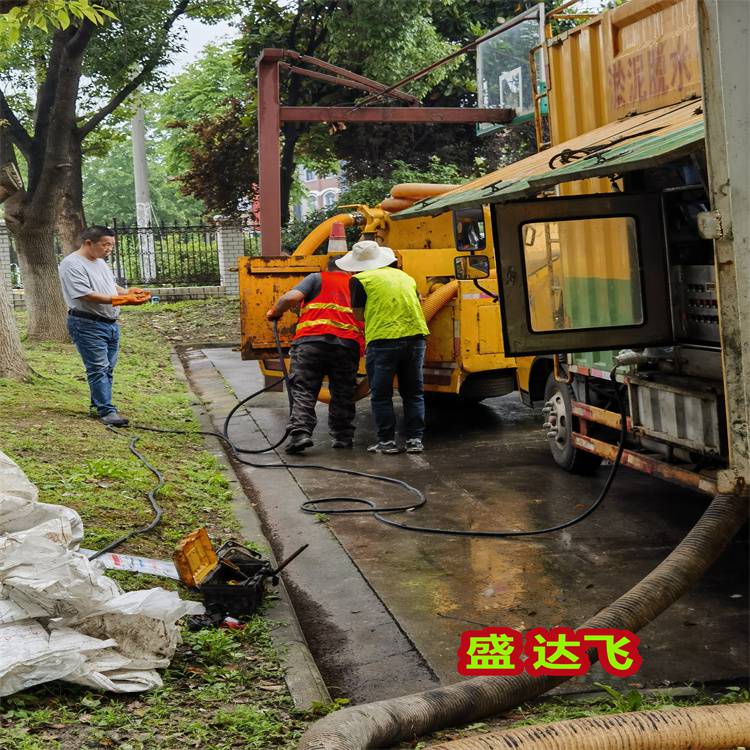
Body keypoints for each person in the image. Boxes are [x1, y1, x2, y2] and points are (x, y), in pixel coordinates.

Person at [336, 240, 429, 454]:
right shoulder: (405, 276)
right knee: (413, 392)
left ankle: (387, 442)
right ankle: (415, 440)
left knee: (381, 394)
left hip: (383, 341)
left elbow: (359, 314)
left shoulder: (360, 279)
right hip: (416, 339)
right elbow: (418, 302)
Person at [266, 257, 364, 454]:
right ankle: (343, 437)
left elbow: (289, 299)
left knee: (304, 389)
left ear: (327, 267)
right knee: (343, 391)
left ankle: (301, 434)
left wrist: (275, 312)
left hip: (311, 344)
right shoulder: (357, 283)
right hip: (346, 345)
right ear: (349, 269)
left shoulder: (317, 278)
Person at [59, 226, 150, 427]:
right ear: (89, 243)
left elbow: (111, 287)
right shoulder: (72, 264)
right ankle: (107, 411)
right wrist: (124, 301)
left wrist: (128, 292)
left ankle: (98, 405)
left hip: (109, 324)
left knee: (107, 368)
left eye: (111, 245)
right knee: (98, 368)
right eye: (105, 244)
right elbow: (86, 294)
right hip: (87, 323)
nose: (109, 249)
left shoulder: (99, 262)